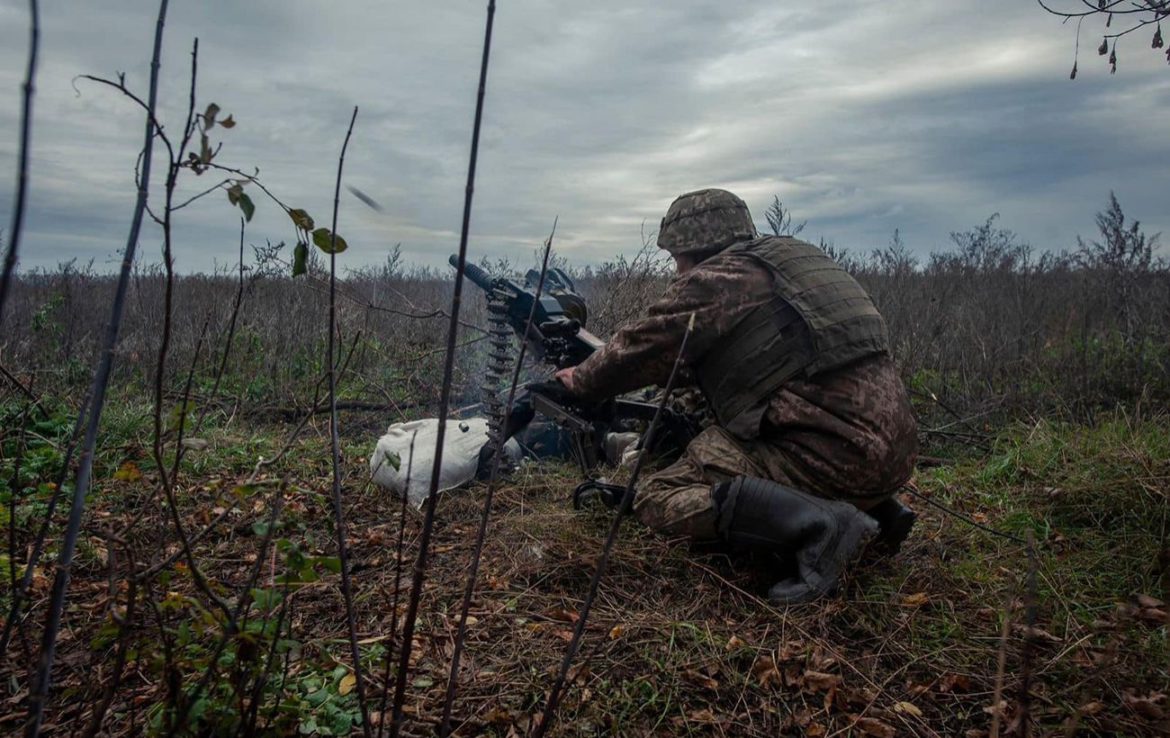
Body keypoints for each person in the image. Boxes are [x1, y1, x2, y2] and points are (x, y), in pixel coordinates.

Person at [553, 188, 919, 605]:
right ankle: (876, 510)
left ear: (693, 250)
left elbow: (644, 345)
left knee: (658, 496)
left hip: (834, 457)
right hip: (891, 452)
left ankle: (825, 526)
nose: (677, 272)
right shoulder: (792, 261)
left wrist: (580, 380)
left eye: (676, 260)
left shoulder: (720, 278)